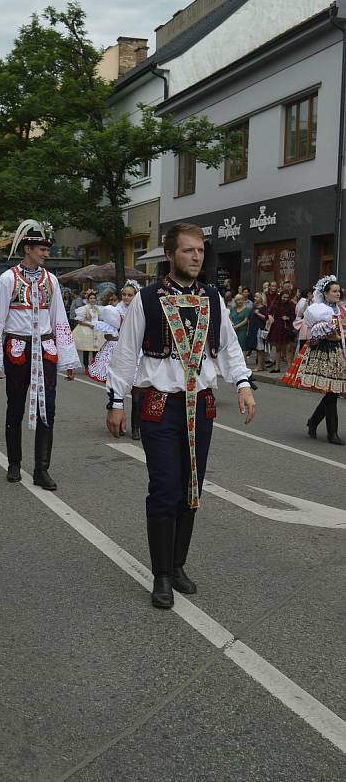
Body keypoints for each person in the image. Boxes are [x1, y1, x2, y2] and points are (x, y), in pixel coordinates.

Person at [106, 222, 255, 609]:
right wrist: (117, 402)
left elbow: (228, 348)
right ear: (170, 255)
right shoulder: (147, 298)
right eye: (188, 251)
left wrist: (242, 383)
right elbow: (125, 352)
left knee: (192, 488)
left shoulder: (213, 298)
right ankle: (160, 574)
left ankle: (178, 564)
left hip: (201, 404)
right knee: (165, 488)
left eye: (201, 251)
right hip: (159, 404)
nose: (196, 257)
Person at [0, 219, 80, 489]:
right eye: (41, 248)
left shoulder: (51, 280)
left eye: (47, 248)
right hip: (18, 349)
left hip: (46, 350)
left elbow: (59, 318)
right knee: (15, 406)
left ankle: (41, 469)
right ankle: (14, 463)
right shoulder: (7, 279)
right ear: (28, 248)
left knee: (47, 409)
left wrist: (68, 357)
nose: (46, 253)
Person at [283, 276, 345, 444]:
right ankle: (332, 433)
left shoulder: (340, 309)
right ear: (325, 293)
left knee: (333, 392)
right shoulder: (320, 310)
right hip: (325, 353)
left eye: (339, 291)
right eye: (334, 291)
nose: (338, 293)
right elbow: (325, 334)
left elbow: (339, 332)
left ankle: (314, 421)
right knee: (332, 392)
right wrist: (336, 335)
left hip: (338, 353)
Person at [86, 280, 142, 438]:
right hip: (120, 351)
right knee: (119, 388)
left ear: (136, 296)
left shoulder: (141, 310)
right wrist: (112, 336)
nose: (126, 298)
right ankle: (121, 422)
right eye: (124, 294)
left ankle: (136, 428)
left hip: (139, 352)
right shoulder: (115, 311)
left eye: (130, 295)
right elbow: (109, 331)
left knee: (138, 390)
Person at [73, 289, 103, 368]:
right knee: (86, 349)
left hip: (96, 330)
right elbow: (79, 321)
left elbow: (100, 318)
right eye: (91, 298)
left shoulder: (97, 308)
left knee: (96, 349)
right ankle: (86, 366)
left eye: (94, 298)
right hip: (86, 330)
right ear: (88, 299)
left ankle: (94, 366)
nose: (92, 300)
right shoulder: (84, 308)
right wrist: (89, 325)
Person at [267, 289, 296, 372]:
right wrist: (270, 317)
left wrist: (288, 318)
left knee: (288, 349)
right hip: (277, 327)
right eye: (284, 297)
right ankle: (277, 367)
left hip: (286, 328)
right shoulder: (276, 304)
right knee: (278, 348)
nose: (285, 299)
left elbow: (294, 316)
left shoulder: (291, 305)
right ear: (281, 296)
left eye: (287, 297)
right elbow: (269, 311)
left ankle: (290, 368)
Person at [246, 292, 267, 371]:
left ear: (261, 299)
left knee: (260, 349)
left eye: (257, 297)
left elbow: (266, 318)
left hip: (259, 330)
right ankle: (262, 365)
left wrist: (259, 314)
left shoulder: (264, 308)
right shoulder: (254, 307)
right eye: (255, 297)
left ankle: (259, 366)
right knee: (257, 348)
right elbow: (249, 318)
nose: (255, 298)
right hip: (253, 329)